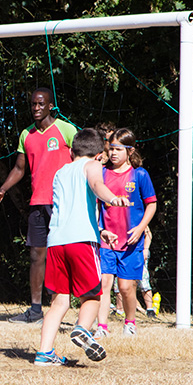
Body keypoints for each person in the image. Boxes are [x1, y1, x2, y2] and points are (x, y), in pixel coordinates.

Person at [32, 128, 130, 367]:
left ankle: (44, 354)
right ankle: (82, 329)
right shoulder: (93, 166)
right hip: (82, 242)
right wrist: (112, 198)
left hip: (56, 242)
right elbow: (97, 185)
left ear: (72, 151)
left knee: (60, 301)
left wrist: (101, 231)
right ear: (99, 154)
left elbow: (70, 209)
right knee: (94, 294)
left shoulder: (60, 172)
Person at [0, 88, 77, 324]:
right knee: (36, 255)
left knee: (66, 254)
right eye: (33, 104)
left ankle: (68, 307)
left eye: (41, 104)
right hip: (38, 202)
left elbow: (83, 158)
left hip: (63, 203)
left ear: (51, 105)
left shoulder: (65, 129)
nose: (36, 108)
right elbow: (20, 169)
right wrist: (3, 188)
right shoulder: (26, 135)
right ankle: (35, 310)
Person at [94, 128, 157, 338]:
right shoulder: (102, 173)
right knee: (104, 284)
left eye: (118, 149)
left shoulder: (140, 174)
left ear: (129, 151)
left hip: (131, 242)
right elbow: (95, 206)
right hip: (107, 241)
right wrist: (100, 230)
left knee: (126, 287)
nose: (113, 153)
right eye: (111, 148)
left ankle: (130, 322)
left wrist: (140, 229)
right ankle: (101, 326)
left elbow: (151, 205)